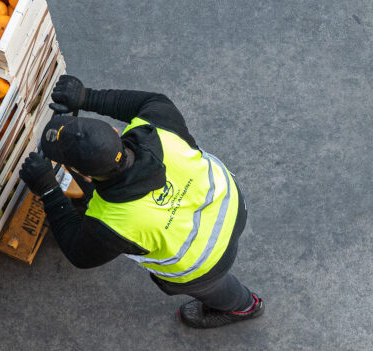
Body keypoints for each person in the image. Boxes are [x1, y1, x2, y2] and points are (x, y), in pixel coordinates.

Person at [16, 76, 262, 328]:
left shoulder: (113, 222)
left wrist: (47, 189)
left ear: (86, 175)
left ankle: (243, 306)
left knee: (213, 285)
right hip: (230, 204)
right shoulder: (158, 125)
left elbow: (78, 254)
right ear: (115, 132)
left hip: (204, 260)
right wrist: (86, 96)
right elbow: (149, 100)